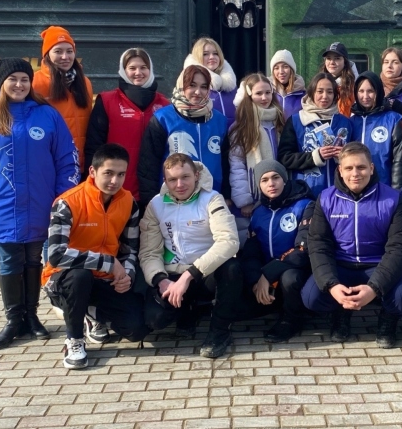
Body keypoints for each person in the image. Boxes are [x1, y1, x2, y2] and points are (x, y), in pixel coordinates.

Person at [0, 58, 79, 350]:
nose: (19, 85)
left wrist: (63, 202)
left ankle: (32, 317)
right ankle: (14, 320)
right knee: (10, 260)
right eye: (13, 79)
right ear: (1, 83)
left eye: (24, 79)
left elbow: (66, 160)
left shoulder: (47, 115)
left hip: (40, 205)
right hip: (0, 206)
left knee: (34, 259)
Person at [301, 142, 402, 349]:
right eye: (349, 168)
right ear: (340, 170)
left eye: (361, 167)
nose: (355, 173)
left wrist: (374, 288)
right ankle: (340, 311)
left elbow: (399, 247)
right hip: (341, 266)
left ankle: (388, 318)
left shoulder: (392, 198)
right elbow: (318, 244)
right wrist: (331, 285)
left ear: (371, 168)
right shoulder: (326, 198)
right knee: (311, 297)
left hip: (377, 265)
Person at [42, 144, 148, 370]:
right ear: (92, 171)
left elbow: (130, 249)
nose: (115, 181)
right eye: (108, 173)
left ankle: (90, 313)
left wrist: (127, 275)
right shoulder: (67, 202)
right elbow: (57, 255)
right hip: (65, 279)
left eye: (121, 174)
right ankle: (74, 339)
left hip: (104, 280)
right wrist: (108, 263)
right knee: (80, 276)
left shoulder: (129, 202)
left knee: (136, 329)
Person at [139, 154, 242, 358]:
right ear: (165, 180)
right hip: (173, 275)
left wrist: (189, 275)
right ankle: (188, 312)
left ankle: (220, 332)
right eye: (172, 179)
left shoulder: (212, 198)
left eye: (185, 177)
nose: (179, 185)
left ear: (196, 175)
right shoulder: (156, 205)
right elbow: (149, 252)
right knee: (154, 320)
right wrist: (161, 280)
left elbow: (229, 241)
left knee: (232, 268)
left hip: (205, 274)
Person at [240, 159, 315, 343]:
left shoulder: (306, 206)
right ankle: (273, 304)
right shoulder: (258, 212)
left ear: (284, 179)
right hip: (268, 275)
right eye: (264, 180)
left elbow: (303, 250)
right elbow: (251, 252)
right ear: (259, 185)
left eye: (276, 177)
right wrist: (256, 281)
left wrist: (268, 273)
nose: (271, 184)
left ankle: (292, 320)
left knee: (290, 277)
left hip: (299, 269)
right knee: (239, 309)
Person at [138, 65, 228, 210]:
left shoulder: (219, 120)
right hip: (172, 200)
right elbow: (149, 163)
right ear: (181, 86)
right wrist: (151, 201)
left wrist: (227, 195)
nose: (198, 92)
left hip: (211, 197)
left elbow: (226, 162)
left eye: (204, 87)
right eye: (192, 85)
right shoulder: (163, 118)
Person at [84, 48, 169, 201]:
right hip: (115, 189)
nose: (138, 72)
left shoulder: (164, 104)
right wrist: (92, 184)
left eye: (143, 67)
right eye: (132, 68)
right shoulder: (107, 101)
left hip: (154, 190)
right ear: (123, 71)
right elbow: (93, 147)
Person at [229, 73, 285, 240]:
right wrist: (244, 200)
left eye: (268, 93)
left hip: (279, 194)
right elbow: (236, 165)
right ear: (249, 95)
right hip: (253, 199)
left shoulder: (280, 122)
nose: (264, 98)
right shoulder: (241, 128)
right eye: (258, 93)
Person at [278, 72, 352, 197]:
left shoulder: (345, 122)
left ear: (335, 95)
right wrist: (315, 157)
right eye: (320, 91)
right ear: (312, 92)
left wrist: (345, 156)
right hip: (306, 194)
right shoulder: (296, 121)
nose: (325, 96)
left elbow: (357, 156)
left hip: (340, 194)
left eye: (330, 92)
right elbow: (284, 158)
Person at [32, 26, 93, 168]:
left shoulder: (85, 82)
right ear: (47, 55)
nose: (65, 57)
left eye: (69, 51)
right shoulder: (35, 83)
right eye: (58, 51)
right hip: (50, 164)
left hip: (82, 163)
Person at [349, 71, 402, 189]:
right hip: (355, 189)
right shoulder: (350, 122)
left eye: (370, 91)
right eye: (361, 91)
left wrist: (397, 191)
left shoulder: (393, 120)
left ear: (379, 91)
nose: (365, 96)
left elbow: (400, 161)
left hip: (383, 188)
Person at [183, 36, 238, 129]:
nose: (212, 57)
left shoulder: (231, 85)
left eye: (215, 53)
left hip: (233, 134)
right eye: (205, 54)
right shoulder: (188, 84)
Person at [320, 42, 358, 117]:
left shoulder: (355, 86)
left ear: (345, 61)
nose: (332, 62)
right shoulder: (319, 83)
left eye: (337, 58)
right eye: (328, 58)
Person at [269, 49, 306, 120]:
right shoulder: (268, 92)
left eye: (285, 67)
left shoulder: (303, 94)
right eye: (276, 68)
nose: (281, 72)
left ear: (292, 69)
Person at [380, 47, 402, 119]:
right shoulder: (373, 88)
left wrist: (400, 108)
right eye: (386, 62)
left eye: (395, 62)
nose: (389, 66)